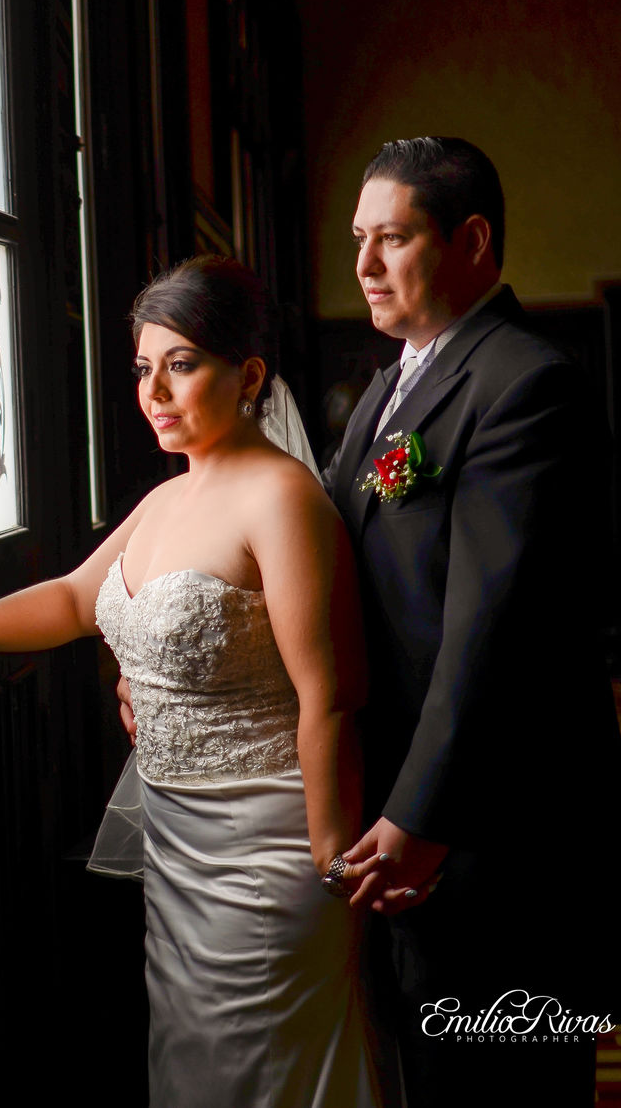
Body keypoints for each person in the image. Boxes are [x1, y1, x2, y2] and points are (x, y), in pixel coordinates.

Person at [0, 255, 407, 1108]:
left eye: (182, 365)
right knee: (193, 1074)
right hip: (178, 854)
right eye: (145, 368)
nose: (155, 391)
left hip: (269, 853)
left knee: (266, 1075)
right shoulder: (165, 499)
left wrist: (334, 860)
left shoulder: (280, 500)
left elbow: (331, 694)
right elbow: (78, 597)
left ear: (248, 374)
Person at [328, 137, 621, 1107]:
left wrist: (420, 814)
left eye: (393, 239)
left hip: (500, 839)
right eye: (359, 239)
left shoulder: (526, 384)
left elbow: (489, 631)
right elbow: (320, 554)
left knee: (508, 1085)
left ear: (473, 241)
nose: (364, 265)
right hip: (407, 822)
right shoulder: (388, 388)